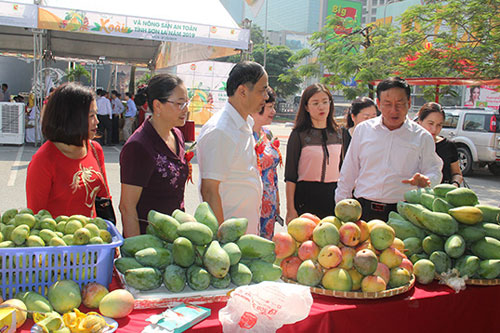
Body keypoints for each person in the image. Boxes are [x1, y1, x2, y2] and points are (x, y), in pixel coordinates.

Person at [335, 77, 443, 222]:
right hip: (363, 209)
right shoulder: (363, 130)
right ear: (378, 104)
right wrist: (341, 204)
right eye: (387, 104)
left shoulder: (422, 137)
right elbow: (349, 170)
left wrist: (427, 180)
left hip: (402, 214)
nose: (394, 110)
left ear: (409, 103)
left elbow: (434, 170)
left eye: (400, 103)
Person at [197, 61, 268, 235]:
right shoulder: (220, 130)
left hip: (245, 235)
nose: (266, 96)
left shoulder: (243, 124)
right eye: (262, 90)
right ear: (242, 91)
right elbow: (209, 190)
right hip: (229, 240)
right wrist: (222, 242)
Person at [119, 74, 189, 237]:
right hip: (150, 243)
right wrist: (135, 253)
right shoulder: (139, 146)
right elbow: (127, 207)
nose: (186, 109)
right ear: (157, 105)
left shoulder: (177, 134)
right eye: (180, 103)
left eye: (187, 102)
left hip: (175, 237)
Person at [26, 82, 110, 217]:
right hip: (59, 237)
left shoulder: (95, 149)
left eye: (96, 114)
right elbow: (36, 216)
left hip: (93, 235)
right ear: (71, 119)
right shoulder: (43, 161)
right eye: (91, 116)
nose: (97, 121)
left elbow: (104, 196)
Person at [284, 83, 342, 223]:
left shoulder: (341, 134)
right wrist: (290, 209)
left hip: (334, 196)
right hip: (306, 196)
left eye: (324, 102)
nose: (321, 107)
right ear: (306, 107)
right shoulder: (298, 135)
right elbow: (290, 176)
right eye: (315, 103)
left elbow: (348, 169)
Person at [252, 87, 281, 239]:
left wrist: (277, 201)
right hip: (252, 205)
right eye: (269, 107)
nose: (273, 111)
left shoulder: (267, 134)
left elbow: (273, 173)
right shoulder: (244, 135)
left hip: (269, 205)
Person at [417, 102, 463, 186]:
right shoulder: (411, 144)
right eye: (430, 123)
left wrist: (454, 185)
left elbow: (457, 174)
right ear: (420, 121)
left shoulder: (448, 146)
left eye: (439, 125)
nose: (434, 129)